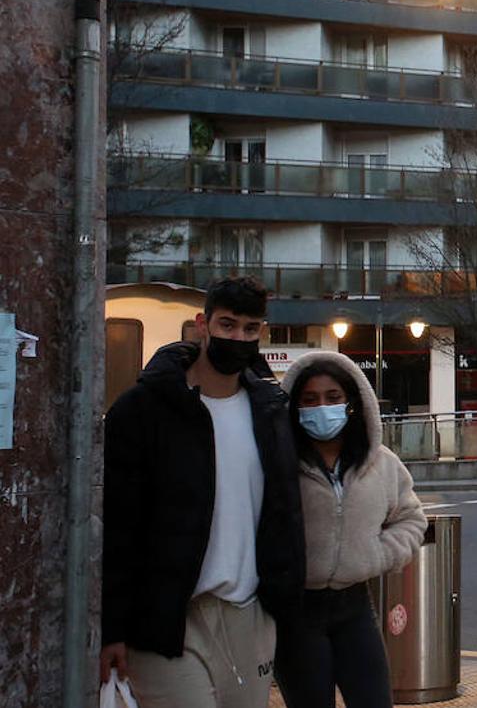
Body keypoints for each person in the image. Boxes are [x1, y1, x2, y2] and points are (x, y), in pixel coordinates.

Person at [100, 276, 305, 708]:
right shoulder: (143, 411)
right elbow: (120, 525)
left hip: (248, 615)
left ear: (262, 333)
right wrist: (111, 629)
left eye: (250, 329)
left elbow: (284, 512)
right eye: (227, 325)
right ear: (202, 324)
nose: (239, 338)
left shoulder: (270, 413)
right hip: (168, 618)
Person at [275, 351, 427, 708]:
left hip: (355, 607)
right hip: (297, 614)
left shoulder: (381, 463)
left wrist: (380, 554)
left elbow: (412, 518)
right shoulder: (279, 464)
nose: (321, 408)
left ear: (352, 403)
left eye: (332, 398)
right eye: (309, 400)